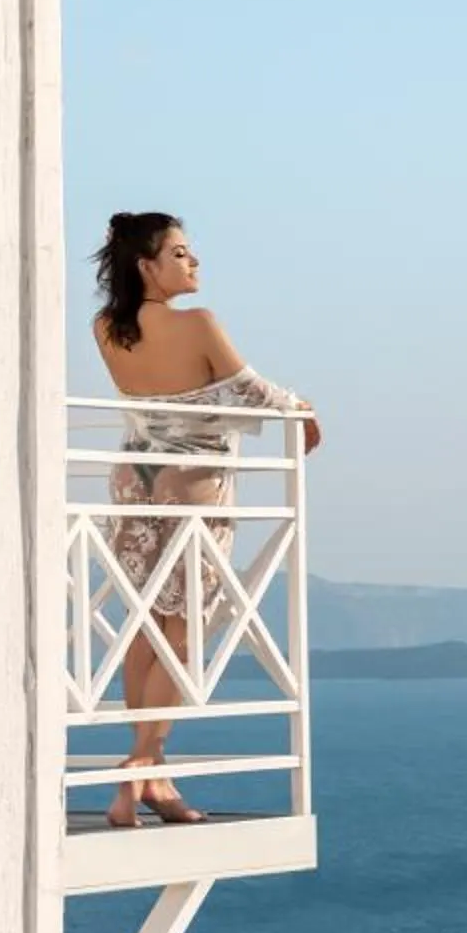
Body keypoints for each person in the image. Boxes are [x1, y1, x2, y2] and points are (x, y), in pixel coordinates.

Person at [89, 211, 321, 827]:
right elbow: (249, 391)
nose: (195, 264)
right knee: (185, 631)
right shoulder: (198, 323)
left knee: (146, 626)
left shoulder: (105, 327)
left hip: (132, 481)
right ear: (148, 265)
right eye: (183, 253)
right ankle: (139, 766)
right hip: (191, 486)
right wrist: (303, 408)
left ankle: (152, 777)